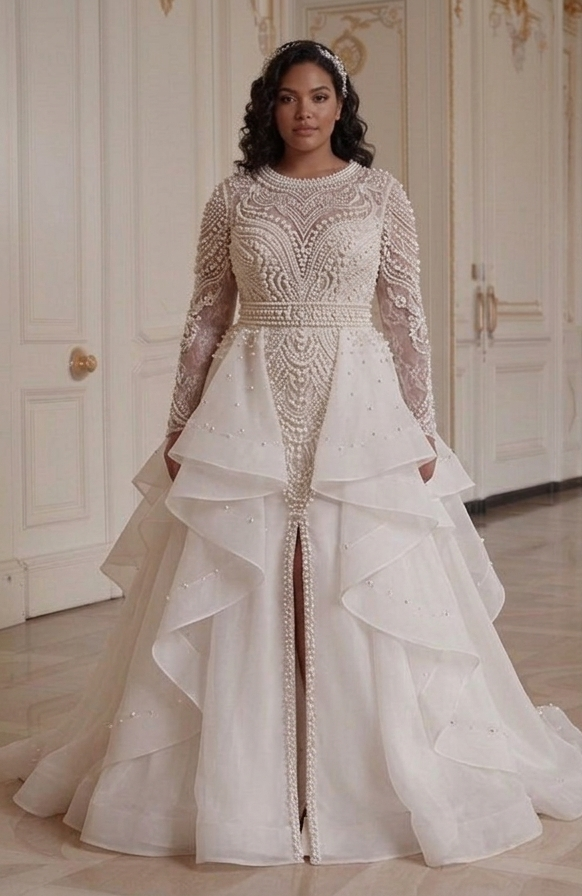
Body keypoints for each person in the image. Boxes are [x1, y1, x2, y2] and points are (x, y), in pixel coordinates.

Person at [1, 40, 581, 868]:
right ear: (267, 107)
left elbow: (407, 314)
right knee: (248, 580)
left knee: (358, 579)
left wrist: (422, 425)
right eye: (286, 97)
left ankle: (357, 782)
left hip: (360, 402)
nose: (303, 112)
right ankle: (252, 785)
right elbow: (206, 314)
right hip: (251, 399)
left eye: (317, 96)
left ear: (341, 106)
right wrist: (179, 422)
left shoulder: (382, 193)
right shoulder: (234, 195)